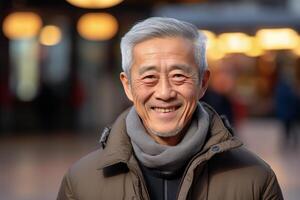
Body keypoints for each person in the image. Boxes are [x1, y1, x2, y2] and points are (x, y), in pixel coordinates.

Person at [57, 17, 283, 200]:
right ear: (127, 86)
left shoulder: (254, 179)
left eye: (178, 76)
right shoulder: (81, 183)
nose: (164, 93)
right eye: (149, 77)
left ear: (202, 83)